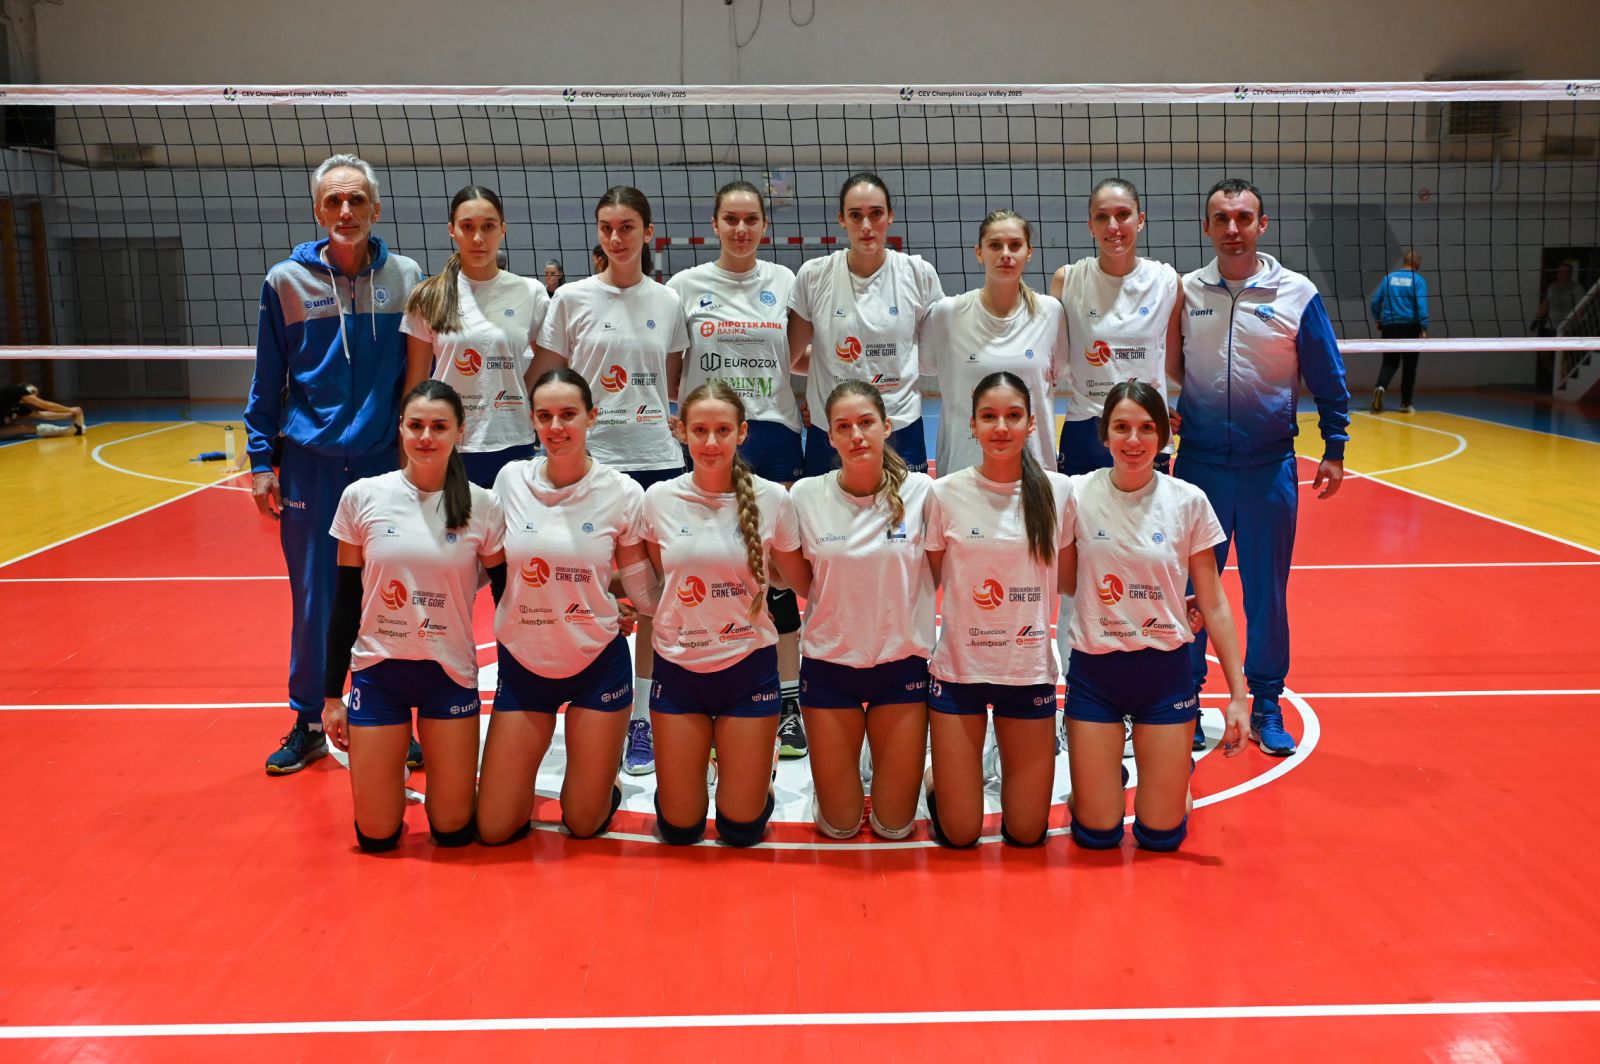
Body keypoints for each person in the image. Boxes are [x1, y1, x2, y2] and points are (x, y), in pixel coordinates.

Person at [246, 153, 425, 777]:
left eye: (356, 200)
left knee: (391, 593)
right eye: (333, 201)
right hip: (311, 465)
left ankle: (391, 716)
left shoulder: (407, 277)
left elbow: (418, 370)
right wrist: (261, 459)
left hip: (381, 462)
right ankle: (308, 720)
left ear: (376, 208)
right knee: (315, 597)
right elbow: (267, 377)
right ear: (318, 211)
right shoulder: (285, 282)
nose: (345, 211)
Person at [1173, 177, 1349, 757]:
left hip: (1268, 466)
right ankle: (1185, 702)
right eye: (1221, 219)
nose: (1232, 229)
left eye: (1243, 218)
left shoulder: (1297, 293)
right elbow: (1166, 364)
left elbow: (1326, 373)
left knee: (1266, 594)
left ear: (1262, 225)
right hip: (1199, 468)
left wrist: (1334, 445)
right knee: (1191, 591)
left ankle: (1267, 703)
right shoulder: (1186, 291)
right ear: (1206, 227)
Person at [533, 186, 689, 778]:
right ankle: (601, 705)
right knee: (589, 588)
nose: (616, 238)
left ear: (647, 233)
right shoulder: (570, 298)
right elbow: (552, 383)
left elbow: (670, 378)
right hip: (592, 464)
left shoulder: (668, 300)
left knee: (650, 597)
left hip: (655, 458)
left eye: (627, 227)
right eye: (606, 227)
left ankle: (642, 718)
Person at [1062, 381, 1250, 853]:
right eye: (1121, 427)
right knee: (1098, 833)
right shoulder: (1075, 494)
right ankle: (1097, 784)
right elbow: (1062, 580)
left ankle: (1172, 785)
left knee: (1161, 835)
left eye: (1147, 428)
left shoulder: (1187, 501)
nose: (1133, 440)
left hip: (1164, 674)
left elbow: (1214, 602)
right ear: (1104, 434)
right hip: (1096, 675)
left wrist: (1238, 696)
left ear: (1164, 436)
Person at [475, 368, 661, 845]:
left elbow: (641, 591)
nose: (555, 427)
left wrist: (719, 592)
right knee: (493, 828)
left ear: (591, 417)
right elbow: (489, 564)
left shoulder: (622, 492)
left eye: (568, 415)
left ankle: (604, 782)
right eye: (545, 416)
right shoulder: (510, 480)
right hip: (524, 663)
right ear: (533, 420)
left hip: (595, 664)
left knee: (582, 822)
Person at [321, 381, 504, 852]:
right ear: (400, 428)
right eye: (416, 425)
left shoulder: (482, 505)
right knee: (375, 836)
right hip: (378, 673)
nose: (426, 436)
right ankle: (386, 771)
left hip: (450, 676)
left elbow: (507, 593)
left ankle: (410, 776)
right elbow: (345, 600)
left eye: (439, 426)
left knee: (452, 831)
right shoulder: (362, 496)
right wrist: (331, 696)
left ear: (460, 432)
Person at [668, 180, 808, 760]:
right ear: (715, 224)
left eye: (751, 219)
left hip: (772, 431)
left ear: (764, 226)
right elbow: (673, 369)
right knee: (712, 563)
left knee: (775, 573)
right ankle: (710, 690)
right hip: (710, 433)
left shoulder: (785, 281)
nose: (742, 229)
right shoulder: (684, 286)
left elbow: (795, 356)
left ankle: (789, 702)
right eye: (731, 218)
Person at [634, 381, 806, 847]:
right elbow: (655, 580)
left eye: (723, 430)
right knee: (680, 828)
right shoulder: (657, 499)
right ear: (681, 432)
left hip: (747, 671)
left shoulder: (773, 499)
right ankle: (694, 772)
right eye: (699, 430)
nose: (711, 442)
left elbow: (799, 583)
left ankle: (759, 770)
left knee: (741, 829)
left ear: (742, 433)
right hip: (679, 671)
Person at [1049, 178, 1183, 745]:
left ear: (1140, 219)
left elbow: (1178, 361)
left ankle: (1140, 697)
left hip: (1147, 438)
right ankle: (1077, 697)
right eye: (1103, 216)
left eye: (1123, 214)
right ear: (1090, 224)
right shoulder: (1068, 280)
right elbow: (1053, 360)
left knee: (1143, 569)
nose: (1114, 226)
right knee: (1077, 576)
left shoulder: (1167, 281)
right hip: (1086, 434)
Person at [921, 372, 1072, 848]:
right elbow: (930, 580)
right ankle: (936, 776)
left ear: (1032, 423)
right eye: (989, 416)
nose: (1001, 427)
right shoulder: (944, 493)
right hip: (960, 674)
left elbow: (1072, 580)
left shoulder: (1060, 492)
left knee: (1027, 833)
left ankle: (980, 767)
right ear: (972, 425)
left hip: (1027, 673)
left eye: (1013, 416)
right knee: (961, 833)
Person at [788, 379, 938, 841]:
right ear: (829, 436)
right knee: (840, 825)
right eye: (843, 426)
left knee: (894, 827)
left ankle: (923, 771)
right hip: (830, 668)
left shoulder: (922, 493)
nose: (856, 435)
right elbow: (804, 584)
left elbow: (940, 574)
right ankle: (838, 778)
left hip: (901, 667)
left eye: (866, 423)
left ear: (886, 427)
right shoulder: (805, 496)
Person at [788, 172, 944, 476]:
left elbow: (929, 359)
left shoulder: (918, 274)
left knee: (904, 509)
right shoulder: (815, 276)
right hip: (832, 427)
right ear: (842, 219)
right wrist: (826, 371)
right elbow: (790, 358)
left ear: (890, 216)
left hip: (899, 426)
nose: (866, 225)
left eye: (876, 213)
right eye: (856, 215)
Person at [402, 185, 550, 487]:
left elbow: (549, 362)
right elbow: (415, 382)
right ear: (452, 230)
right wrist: (405, 460)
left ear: (503, 230)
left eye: (488, 227)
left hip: (513, 440)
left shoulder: (531, 292)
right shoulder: (428, 296)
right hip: (445, 444)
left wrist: (520, 392)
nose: (478, 238)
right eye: (467, 227)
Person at [921, 210, 1067, 479]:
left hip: (1034, 475)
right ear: (979, 252)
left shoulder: (1051, 312)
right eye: (995, 245)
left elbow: (1060, 373)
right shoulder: (947, 313)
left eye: (1015, 245)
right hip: (961, 474)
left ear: (1029, 252)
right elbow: (924, 366)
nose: (1005, 254)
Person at [1369, 249, 1429, 414]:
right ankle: (1405, 403)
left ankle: (1380, 387)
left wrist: (1379, 319)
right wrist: (1423, 327)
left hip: (1390, 326)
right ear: (1417, 262)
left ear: (1404, 261)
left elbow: (1375, 302)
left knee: (1389, 363)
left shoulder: (1389, 278)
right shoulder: (1418, 280)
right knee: (1409, 366)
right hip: (1411, 327)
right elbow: (1421, 305)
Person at [0, 382, 84, 438]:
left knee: (27, 427)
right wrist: (69, 409)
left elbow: (40, 415)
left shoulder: (19, 406)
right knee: (24, 428)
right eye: (32, 393)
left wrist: (69, 415)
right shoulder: (15, 390)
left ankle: (68, 430)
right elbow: (45, 405)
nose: (34, 397)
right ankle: (66, 431)